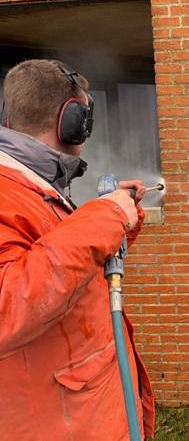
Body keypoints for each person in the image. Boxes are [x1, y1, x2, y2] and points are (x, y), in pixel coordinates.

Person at [0, 59, 154, 440]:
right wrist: (104, 217)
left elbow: (58, 264)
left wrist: (121, 220)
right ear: (72, 121)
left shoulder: (30, 184)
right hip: (59, 422)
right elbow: (9, 303)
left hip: (80, 413)